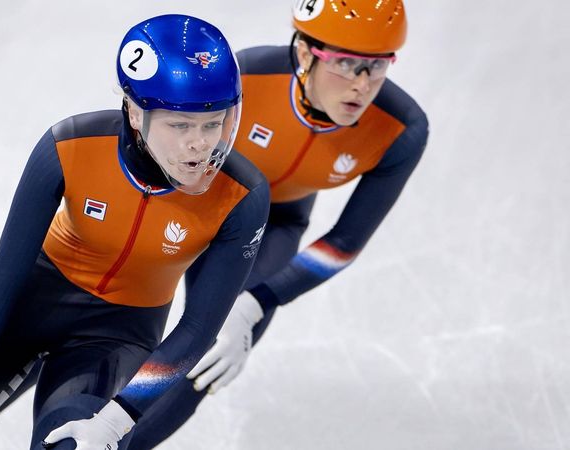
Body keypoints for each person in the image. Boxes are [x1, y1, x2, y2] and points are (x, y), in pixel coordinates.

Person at [0, 14, 270, 450]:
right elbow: (5, 274)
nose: (200, 144)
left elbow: (198, 327)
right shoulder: (68, 147)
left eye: (213, 123)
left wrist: (115, 422)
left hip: (117, 335)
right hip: (28, 301)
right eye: (180, 125)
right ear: (136, 113)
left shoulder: (242, 196)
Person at [123, 0, 429, 448]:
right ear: (305, 53)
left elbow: (344, 242)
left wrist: (254, 303)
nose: (363, 86)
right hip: (188, 199)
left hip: (273, 224)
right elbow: (154, 142)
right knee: (102, 312)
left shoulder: (402, 129)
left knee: (211, 356)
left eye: (377, 67)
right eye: (346, 63)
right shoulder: (248, 78)